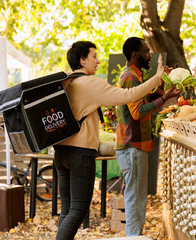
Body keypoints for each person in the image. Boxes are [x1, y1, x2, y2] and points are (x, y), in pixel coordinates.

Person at [54, 40, 166, 240]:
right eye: (94, 57)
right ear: (82, 60)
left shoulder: (65, 82)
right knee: (78, 210)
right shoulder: (90, 83)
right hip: (80, 153)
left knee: (67, 210)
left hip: (61, 153)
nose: (97, 61)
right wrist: (157, 78)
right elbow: (128, 95)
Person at [115, 37, 181, 236]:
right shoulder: (130, 77)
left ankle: (135, 235)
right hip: (132, 146)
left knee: (137, 196)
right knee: (135, 198)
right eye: (146, 51)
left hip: (136, 146)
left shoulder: (135, 75)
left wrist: (163, 91)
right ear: (135, 55)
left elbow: (144, 99)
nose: (149, 55)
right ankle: (134, 237)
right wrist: (165, 98)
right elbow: (137, 111)